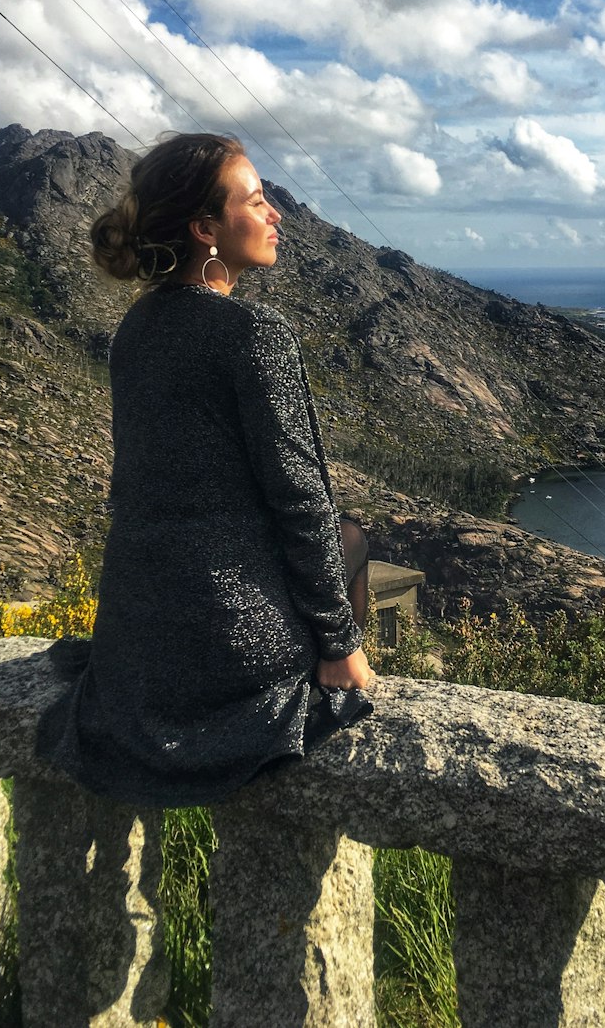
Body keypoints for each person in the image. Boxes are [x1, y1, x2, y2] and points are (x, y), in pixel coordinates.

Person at [37, 132, 373, 806]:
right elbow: (301, 499)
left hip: (137, 639)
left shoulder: (135, 329)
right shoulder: (253, 333)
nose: (275, 211)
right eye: (255, 199)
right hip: (231, 645)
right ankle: (352, 660)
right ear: (205, 228)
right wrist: (338, 645)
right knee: (353, 537)